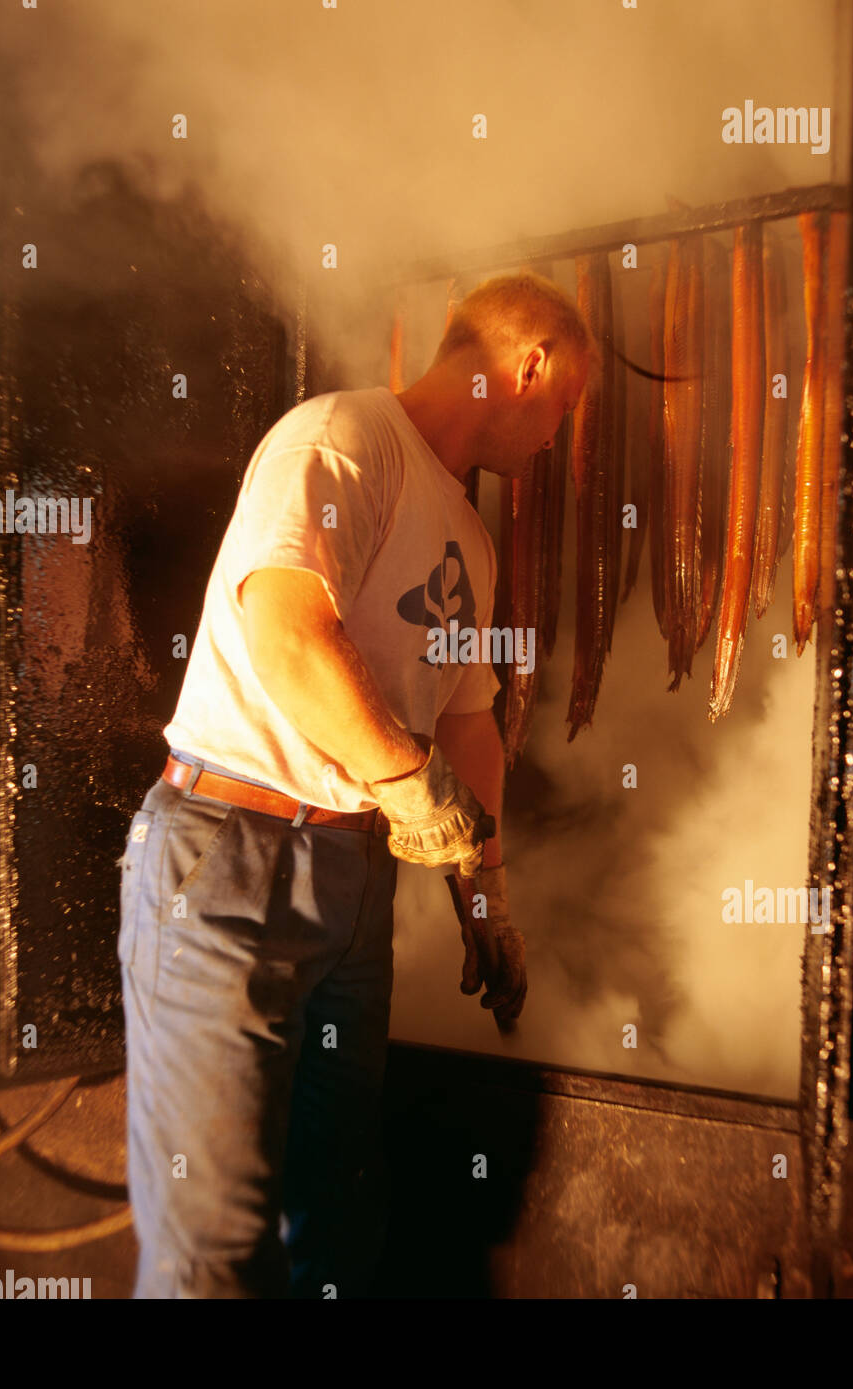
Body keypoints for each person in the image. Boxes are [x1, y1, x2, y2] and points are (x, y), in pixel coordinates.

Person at [116, 271, 594, 1298]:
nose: (561, 432)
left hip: (348, 873)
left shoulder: (468, 536)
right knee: (216, 1238)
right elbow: (289, 635)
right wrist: (407, 783)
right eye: (566, 403)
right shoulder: (341, 437)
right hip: (226, 856)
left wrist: (487, 896)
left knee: (334, 1219)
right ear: (529, 364)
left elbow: (467, 730)